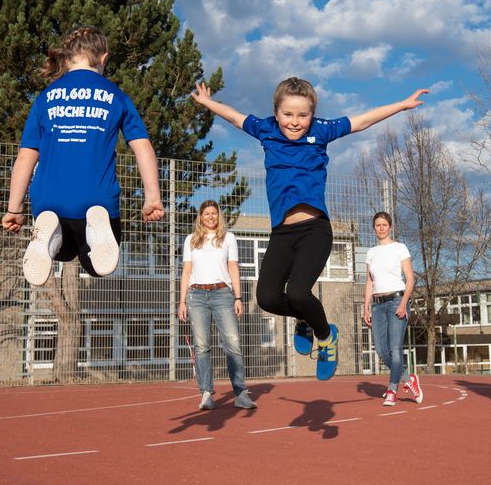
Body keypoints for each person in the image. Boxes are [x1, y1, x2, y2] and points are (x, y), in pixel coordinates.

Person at [192, 77, 428, 381]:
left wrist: (403, 105)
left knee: (299, 291)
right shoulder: (266, 130)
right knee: (266, 297)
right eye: (288, 114)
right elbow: (236, 118)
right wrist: (208, 102)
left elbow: (361, 121)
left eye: (303, 115)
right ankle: (304, 318)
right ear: (276, 113)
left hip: (315, 229)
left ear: (312, 115)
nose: (295, 122)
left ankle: (326, 336)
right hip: (282, 233)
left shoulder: (322, 130)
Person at [2, 26, 164, 285]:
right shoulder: (116, 96)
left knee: (64, 253)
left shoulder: (45, 98)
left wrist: (15, 208)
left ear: (66, 59)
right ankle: (94, 227)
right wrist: (152, 198)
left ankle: (50, 229)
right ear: (103, 58)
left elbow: (26, 157)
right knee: (96, 267)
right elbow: (142, 146)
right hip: (96, 196)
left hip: (48, 197)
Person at [179, 200, 256, 410]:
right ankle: (206, 394)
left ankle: (240, 394)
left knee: (233, 343)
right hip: (196, 296)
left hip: (223, 294)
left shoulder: (228, 238)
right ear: (200, 217)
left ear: (218, 215)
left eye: (214, 213)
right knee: (202, 345)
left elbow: (233, 268)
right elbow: (186, 271)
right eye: (206, 213)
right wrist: (182, 301)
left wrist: (238, 297)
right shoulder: (190, 240)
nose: (211, 217)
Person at [363, 212, 423, 406]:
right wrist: (366, 308)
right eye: (378, 225)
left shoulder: (400, 248)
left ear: (390, 227)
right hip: (378, 305)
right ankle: (408, 379)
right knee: (382, 350)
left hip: (397, 301)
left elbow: (410, 279)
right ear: (374, 228)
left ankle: (391, 390)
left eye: (384, 224)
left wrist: (404, 303)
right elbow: (369, 282)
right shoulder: (371, 252)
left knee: (395, 350)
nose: (381, 228)